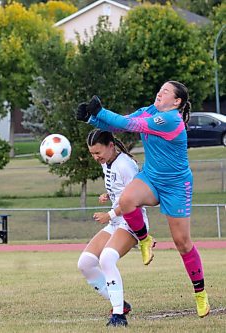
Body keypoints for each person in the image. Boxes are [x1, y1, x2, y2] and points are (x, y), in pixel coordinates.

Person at [76, 81, 210, 318]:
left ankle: (200, 293)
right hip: (151, 177)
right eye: (160, 89)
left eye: (166, 91)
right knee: (127, 200)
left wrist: (101, 112)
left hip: (176, 185)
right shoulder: (151, 110)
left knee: (182, 243)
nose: (160, 92)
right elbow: (120, 125)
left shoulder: (170, 120)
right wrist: (92, 119)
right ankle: (144, 240)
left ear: (176, 102)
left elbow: (130, 124)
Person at [78, 129, 149, 327]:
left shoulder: (126, 165)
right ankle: (121, 304)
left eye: (98, 152)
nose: (95, 157)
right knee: (85, 263)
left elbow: (135, 197)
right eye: (92, 153)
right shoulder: (107, 162)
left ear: (111, 146)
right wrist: (108, 194)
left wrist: (109, 214)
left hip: (132, 221)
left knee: (107, 259)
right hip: (117, 222)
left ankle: (118, 316)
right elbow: (121, 189)